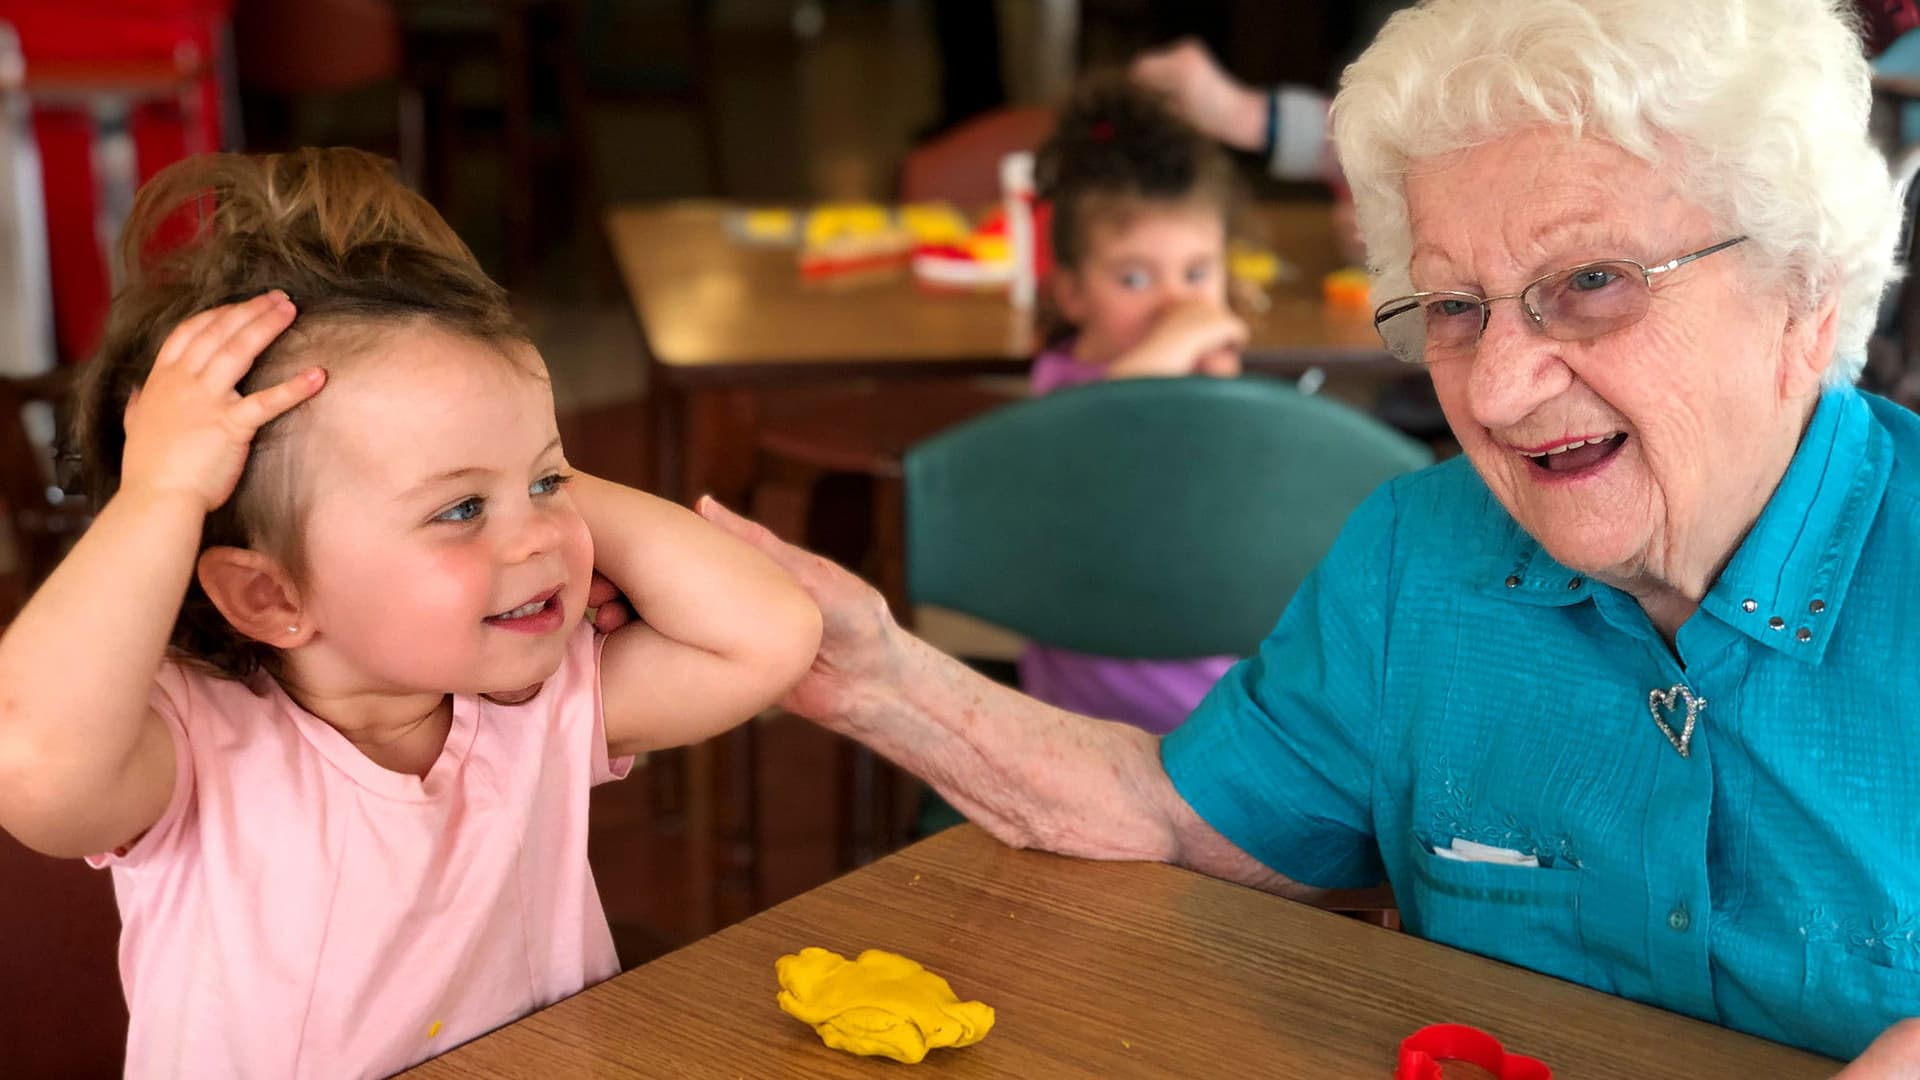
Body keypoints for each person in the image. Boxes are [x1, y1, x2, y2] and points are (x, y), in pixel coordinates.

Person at [688, 0, 1920, 1068]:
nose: (1493, 392)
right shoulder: (1417, 561)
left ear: (1805, 293)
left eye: (1590, 282)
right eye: (1450, 306)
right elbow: (1172, 817)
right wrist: (870, 672)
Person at [0, 148, 822, 1077]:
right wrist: (161, 493)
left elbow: (771, 634)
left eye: (551, 483)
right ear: (271, 596)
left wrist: (504, 459)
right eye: (460, 509)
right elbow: (31, 755)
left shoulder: (530, 708)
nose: (537, 540)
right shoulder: (195, 749)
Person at [1017, 76, 1246, 734]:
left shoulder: (1207, 380)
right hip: (1084, 726)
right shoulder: (1064, 391)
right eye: (1134, 277)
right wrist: (1176, 353)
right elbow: (1100, 435)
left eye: (1197, 272)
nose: (1174, 305)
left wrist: (1226, 401)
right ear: (1071, 291)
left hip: (1217, 717)